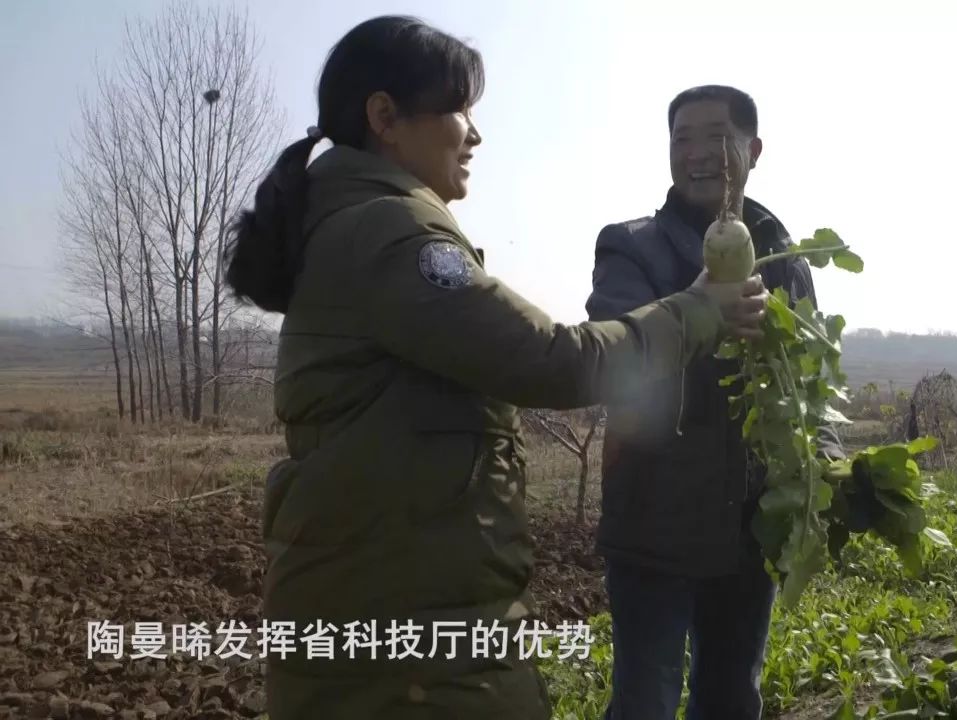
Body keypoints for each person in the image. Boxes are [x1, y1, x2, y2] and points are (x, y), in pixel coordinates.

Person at [222, 19, 769, 720]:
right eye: (458, 110)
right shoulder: (390, 233)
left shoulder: (365, 221)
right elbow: (557, 362)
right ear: (385, 117)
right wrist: (699, 309)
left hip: (401, 597)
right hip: (405, 630)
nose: (474, 135)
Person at [585, 85, 847, 720]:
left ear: (753, 149)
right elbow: (615, 356)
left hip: (747, 528)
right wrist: (703, 315)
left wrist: (831, 466)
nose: (698, 154)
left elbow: (812, 380)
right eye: (682, 139)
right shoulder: (631, 245)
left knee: (732, 696)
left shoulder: (782, 254)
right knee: (644, 700)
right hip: (655, 524)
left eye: (716, 137)